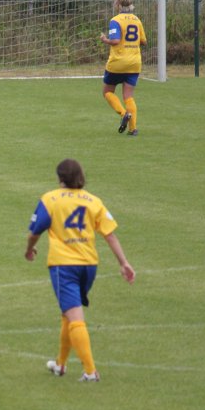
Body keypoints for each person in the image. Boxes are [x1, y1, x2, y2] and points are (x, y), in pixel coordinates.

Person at [24, 159, 135, 382]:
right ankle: (60, 364)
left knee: (75, 317)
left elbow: (36, 230)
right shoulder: (93, 201)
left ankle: (90, 371)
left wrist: (30, 248)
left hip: (63, 266)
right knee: (68, 312)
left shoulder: (51, 199)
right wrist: (124, 262)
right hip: (89, 266)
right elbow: (109, 234)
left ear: (60, 178)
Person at [99, 0, 147, 136]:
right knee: (128, 96)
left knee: (107, 92)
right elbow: (144, 41)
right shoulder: (137, 20)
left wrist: (104, 39)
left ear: (118, 4)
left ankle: (123, 113)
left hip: (118, 63)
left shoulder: (116, 20)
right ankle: (133, 129)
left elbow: (115, 41)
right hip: (134, 63)